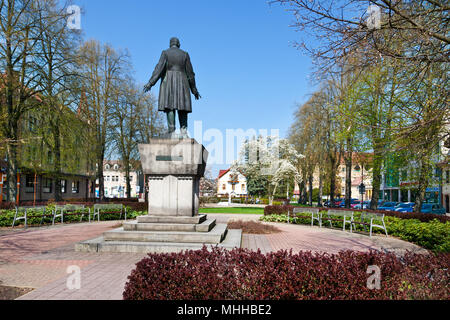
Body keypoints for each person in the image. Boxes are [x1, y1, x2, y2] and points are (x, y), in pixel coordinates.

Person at [144, 37, 201, 137]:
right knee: (182, 106)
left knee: (170, 106)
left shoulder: (165, 53)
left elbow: (158, 69)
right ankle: (183, 131)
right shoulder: (185, 54)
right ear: (178, 44)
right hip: (183, 82)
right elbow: (190, 74)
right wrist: (194, 89)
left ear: (170, 44)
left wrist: (150, 83)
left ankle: (171, 130)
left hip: (169, 82)